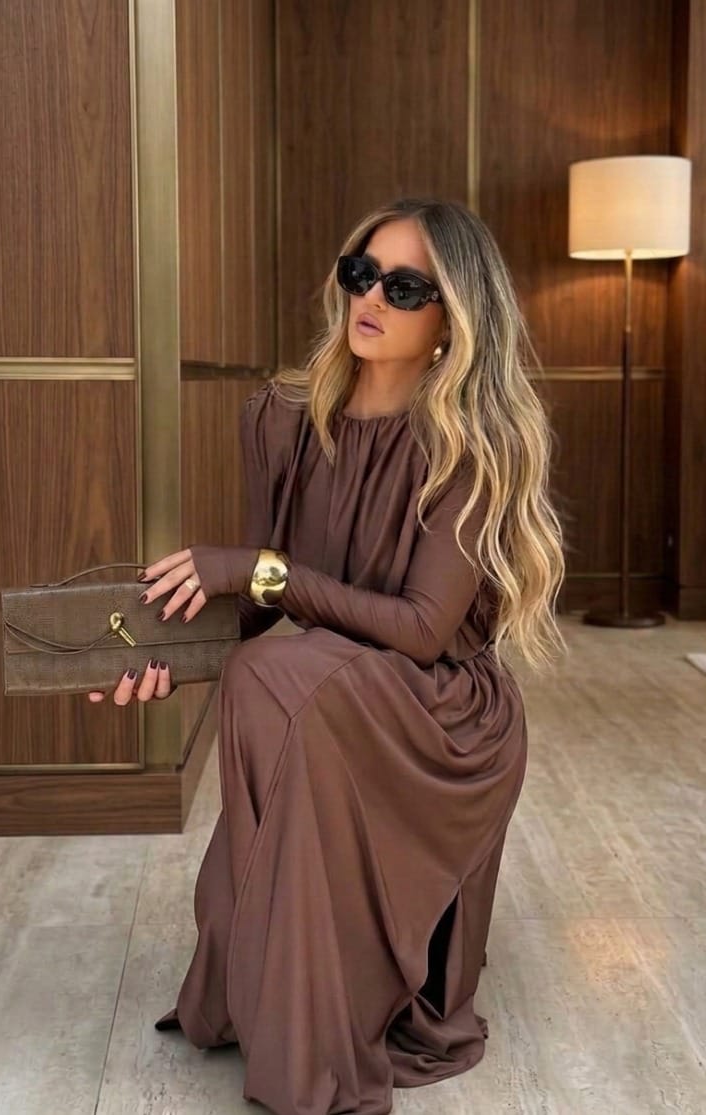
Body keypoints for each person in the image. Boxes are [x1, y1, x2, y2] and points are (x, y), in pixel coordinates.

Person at [89, 197, 566, 1115]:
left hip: (441, 713)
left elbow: (421, 629)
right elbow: (259, 609)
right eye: (360, 272)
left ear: (453, 317)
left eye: (404, 286)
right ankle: (291, 998)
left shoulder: (472, 444)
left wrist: (260, 570)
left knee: (277, 675)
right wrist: (160, 659)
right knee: (267, 670)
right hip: (325, 689)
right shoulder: (283, 418)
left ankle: (314, 1026)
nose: (370, 297)